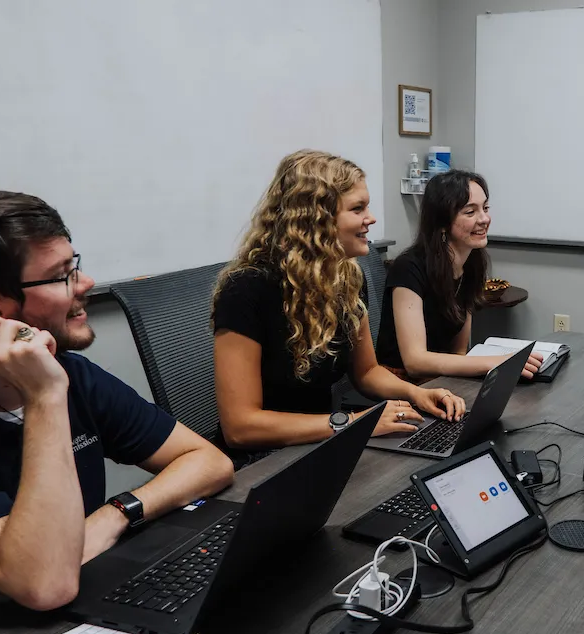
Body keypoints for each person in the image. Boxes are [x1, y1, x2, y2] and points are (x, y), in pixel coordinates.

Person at [0, 192, 235, 634]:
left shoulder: (74, 373)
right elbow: (44, 584)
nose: (86, 282)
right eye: (61, 275)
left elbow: (208, 461)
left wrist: (116, 515)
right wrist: (45, 397)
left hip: (79, 615)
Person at [212, 150, 467, 466]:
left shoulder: (346, 277)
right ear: (315, 219)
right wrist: (353, 423)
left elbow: (367, 372)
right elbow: (240, 427)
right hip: (260, 461)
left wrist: (416, 395)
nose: (370, 218)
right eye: (358, 208)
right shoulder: (246, 289)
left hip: (323, 440)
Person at [376, 170, 543, 380]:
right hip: (400, 383)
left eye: (485, 208)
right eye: (470, 212)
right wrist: (495, 362)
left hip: (440, 379)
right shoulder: (408, 268)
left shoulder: (472, 264)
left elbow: (458, 352)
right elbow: (415, 362)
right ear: (443, 222)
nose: (484, 219)